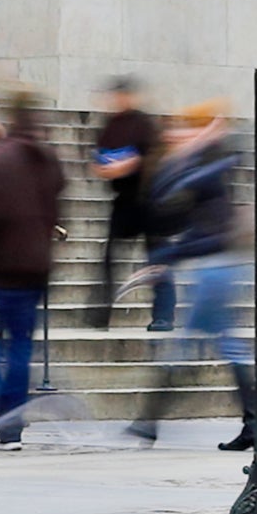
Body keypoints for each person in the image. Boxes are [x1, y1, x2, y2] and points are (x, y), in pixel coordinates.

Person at [134, 104, 249, 447]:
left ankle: (147, 421)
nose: (176, 135)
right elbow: (169, 201)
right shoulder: (207, 166)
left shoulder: (213, 165)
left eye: (186, 128)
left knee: (184, 348)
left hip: (216, 272)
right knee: (227, 347)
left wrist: (171, 254)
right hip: (214, 271)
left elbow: (176, 194)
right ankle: (255, 423)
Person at [0, 95, 64, 447]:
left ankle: (3, 413)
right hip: (31, 268)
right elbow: (54, 210)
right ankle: (10, 426)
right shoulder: (46, 158)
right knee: (19, 347)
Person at [89, 77, 162, 331]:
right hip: (124, 200)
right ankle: (101, 313)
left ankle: (163, 315)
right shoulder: (111, 125)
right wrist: (107, 168)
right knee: (110, 256)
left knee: (158, 256)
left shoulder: (143, 123)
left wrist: (129, 164)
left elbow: (152, 155)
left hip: (149, 199)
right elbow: (99, 158)